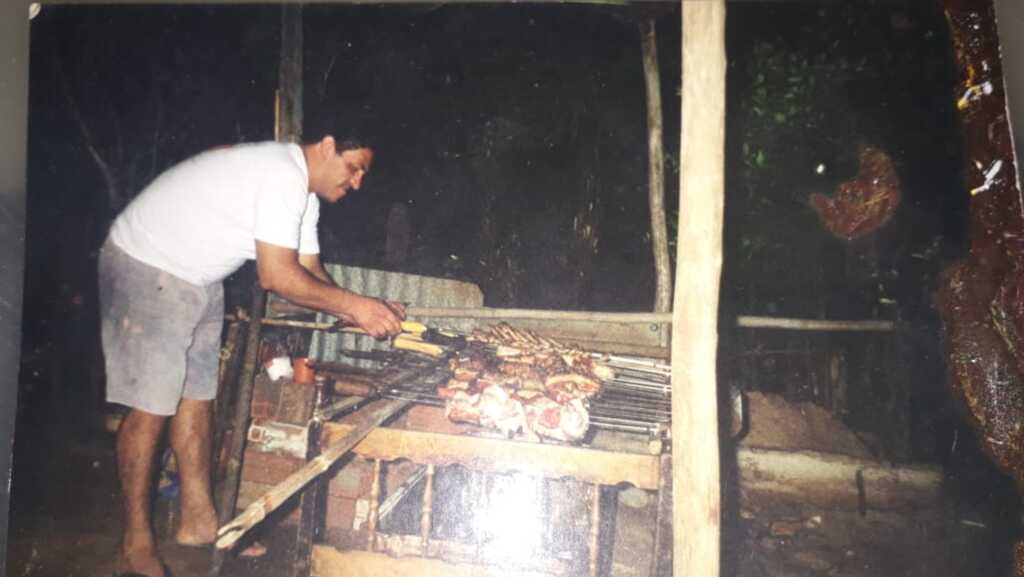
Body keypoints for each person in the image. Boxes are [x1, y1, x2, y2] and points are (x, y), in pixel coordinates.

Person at [99, 136, 405, 577]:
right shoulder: (281, 173)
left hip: (200, 275)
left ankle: (200, 522)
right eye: (354, 167)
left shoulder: (304, 197)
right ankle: (136, 541)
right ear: (327, 145)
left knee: (197, 397)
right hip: (148, 262)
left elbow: (311, 273)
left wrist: (360, 307)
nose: (357, 182)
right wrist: (353, 307)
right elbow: (276, 276)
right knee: (151, 404)